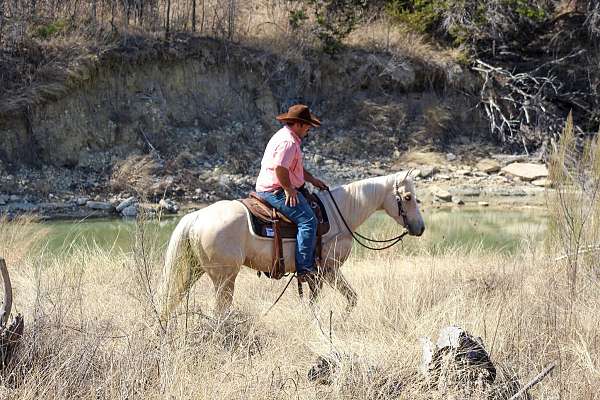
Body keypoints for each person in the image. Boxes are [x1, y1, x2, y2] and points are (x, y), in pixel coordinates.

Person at [256, 104, 328, 283]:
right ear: (298, 124)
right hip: (275, 189)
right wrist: (289, 189)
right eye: (307, 126)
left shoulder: (285, 136)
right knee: (308, 221)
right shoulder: (288, 142)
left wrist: (312, 180)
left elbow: (293, 167)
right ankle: (305, 269)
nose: (309, 129)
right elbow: (280, 168)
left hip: (272, 185)